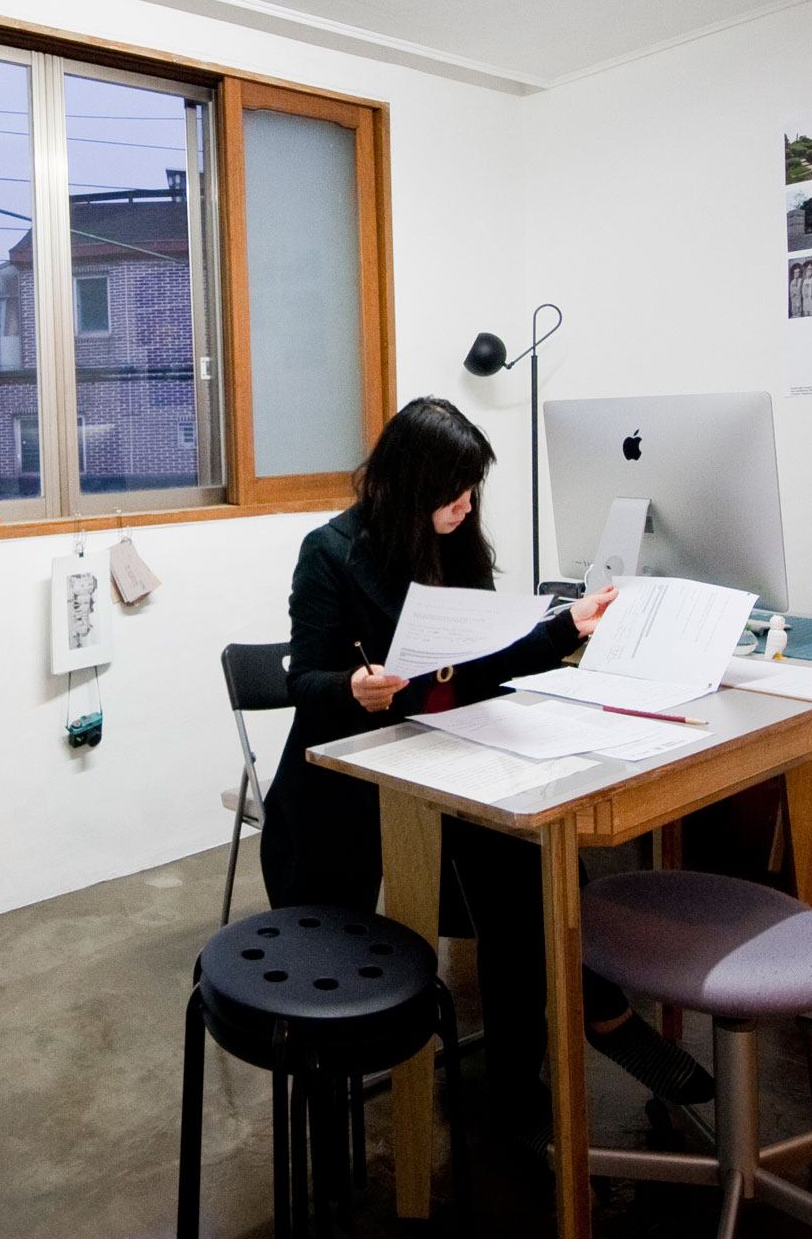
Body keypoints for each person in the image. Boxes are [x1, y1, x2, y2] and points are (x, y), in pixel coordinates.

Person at [258, 396, 714, 1143]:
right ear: (409, 485)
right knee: (435, 910)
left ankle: (521, 1081)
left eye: (473, 490)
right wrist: (352, 686)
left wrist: (565, 628)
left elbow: (482, 661)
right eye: (454, 492)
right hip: (353, 783)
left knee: (530, 868)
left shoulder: (457, 544)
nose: (467, 506)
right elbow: (302, 680)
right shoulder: (331, 551)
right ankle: (595, 1011)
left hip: (457, 755)